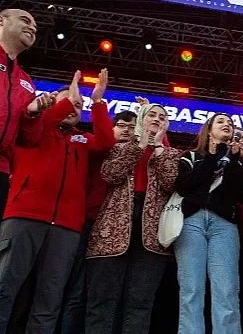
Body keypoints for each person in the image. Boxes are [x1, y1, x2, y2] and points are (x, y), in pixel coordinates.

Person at [0, 69, 114, 333]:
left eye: (78, 105)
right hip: (24, 217)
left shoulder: (82, 140)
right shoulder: (33, 127)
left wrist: (97, 102)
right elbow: (32, 123)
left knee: (49, 298)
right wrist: (66, 100)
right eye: (69, 102)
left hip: (66, 227)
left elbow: (107, 142)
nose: (74, 108)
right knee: (5, 287)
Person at [85, 103, 180, 334]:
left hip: (151, 233)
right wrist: (139, 146)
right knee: (102, 301)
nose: (157, 119)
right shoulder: (120, 147)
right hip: (112, 230)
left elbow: (172, 183)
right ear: (141, 119)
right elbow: (110, 174)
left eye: (162, 116)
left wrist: (158, 146)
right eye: (152, 115)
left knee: (140, 303)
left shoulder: (170, 153)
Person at [58, 110, 137, 334]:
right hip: (85, 223)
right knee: (73, 290)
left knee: (100, 293)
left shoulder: (135, 154)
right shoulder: (96, 148)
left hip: (116, 231)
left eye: (132, 127)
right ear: (111, 127)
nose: (126, 130)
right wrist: (98, 103)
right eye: (121, 125)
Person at [173, 113, 243, 334]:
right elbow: (183, 186)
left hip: (224, 226)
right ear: (209, 129)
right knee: (191, 289)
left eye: (231, 123)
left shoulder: (237, 161)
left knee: (226, 290)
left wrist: (234, 161)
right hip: (192, 223)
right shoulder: (190, 156)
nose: (227, 124)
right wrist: (212, 156)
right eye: (221, 122)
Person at [0, 9, 57, 216]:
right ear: (1, 21)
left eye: (35, 27)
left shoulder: (26, 81)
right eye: (25, 21)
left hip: (2, 168)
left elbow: (28, 140)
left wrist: (32, 114)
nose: (32, 28)